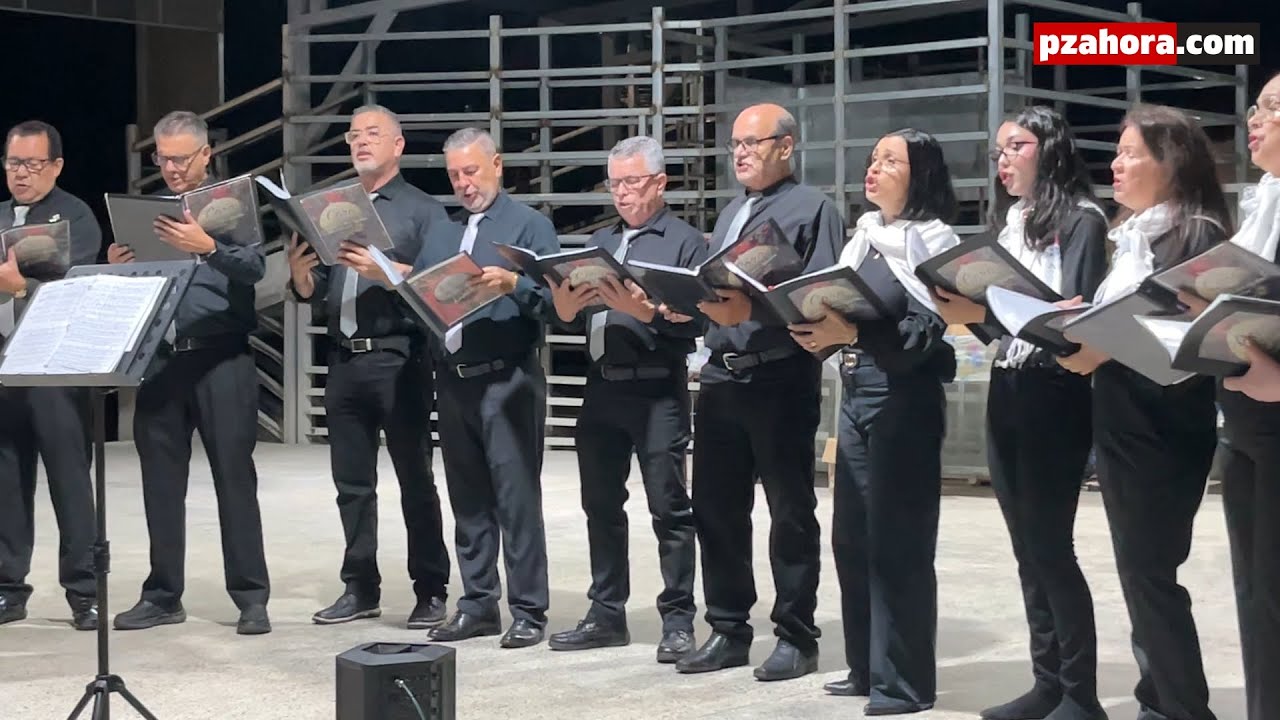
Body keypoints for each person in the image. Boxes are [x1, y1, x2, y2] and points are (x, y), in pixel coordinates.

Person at [346, 127, 556, 649]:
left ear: (497, 165)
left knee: (516, 499)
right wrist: (394, 280)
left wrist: (516, 284)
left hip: (507, 377)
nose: (464, 184)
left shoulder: (529, 226)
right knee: (468, 500)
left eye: (472, 172)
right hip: (454, 379)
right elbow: (424, 300)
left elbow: (557, 304)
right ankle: (478, 603)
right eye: (455, 175)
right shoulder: (444, 232)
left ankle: (528, 609)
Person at [932, 107, 1110, 720]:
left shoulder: (1083, 220)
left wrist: (1025, 311)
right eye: (998, 150)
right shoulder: (1010, 223)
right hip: (1009, 383)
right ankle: (1048, 683)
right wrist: (964, 308)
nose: (1004, 158)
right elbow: (1002, 323)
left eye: (1018, 145)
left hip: (1056, 390)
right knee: (1025, 547)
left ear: (1051, 149)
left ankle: (1082, 696)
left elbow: (1080, 317)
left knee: (1050, 545)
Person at [1056, 104, 1230, 720]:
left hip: (1164, 428)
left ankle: (1183, 708)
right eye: (1118, 152)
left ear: (1172, 161)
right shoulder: (1133, 233)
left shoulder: (1196, 232)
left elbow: (1189, 342)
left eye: (1132, 153)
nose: (1117, 164)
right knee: (1138, 573)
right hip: (1125, 421)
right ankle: (1157, 698)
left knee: (1151, 575)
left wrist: (1103, 347)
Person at [672, 103, 845, 681]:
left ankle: (797, 635)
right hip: (721, 375)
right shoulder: (729, 214)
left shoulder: (813, 208)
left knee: (789, 511)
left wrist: (757, 310)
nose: (741, 152)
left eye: (754, 142)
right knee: (717, 509)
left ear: (787, 146)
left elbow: (820, 300)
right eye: (735, 144)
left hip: (779, 374)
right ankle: (727, 627)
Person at [789, 128, 958, 714]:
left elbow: (922, 332)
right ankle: (866, 666)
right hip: (857, 389)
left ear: (922, 175)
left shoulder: (934, 242)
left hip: (904, 395)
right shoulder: (864, 236)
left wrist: (855, 330)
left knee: (899, 543)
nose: (875, 168)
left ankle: (904, 683)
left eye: (891, 161)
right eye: (873, 157)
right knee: (852, 537)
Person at [108, 111, 272, 636]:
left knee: (233, 478)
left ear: (206, 154)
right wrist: (119, 266)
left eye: (182, 157)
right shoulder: (149, 212)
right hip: (161, 359)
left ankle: (250, 597)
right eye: (163, 157)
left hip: (221, 356)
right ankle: (162, 594)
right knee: (159, 483)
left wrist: (209, 248)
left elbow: (254, 269)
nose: (173, 167)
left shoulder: (231, 205)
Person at [288, 105, 452, 630]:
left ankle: (430, 588)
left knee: (414, 478)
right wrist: (300, 280)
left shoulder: (422, 211)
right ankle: (359, 586)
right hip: (343, 358)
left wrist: (389, 274)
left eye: (372, 134)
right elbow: (321, 294)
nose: (361, 143)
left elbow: (438, 286)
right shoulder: (332, 208)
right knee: (351, 483)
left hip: (398, 356)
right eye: (353, 135)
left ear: (398, 146)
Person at [545, 136, 705, 663]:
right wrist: (563, 307)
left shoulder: (685, 243)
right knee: (600, 505)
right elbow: (570, 314)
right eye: (614, 183)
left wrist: (649, 313)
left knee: (669, 507)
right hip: (601, 388)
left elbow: (698, 325)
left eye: (633, 181)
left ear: (659, 182)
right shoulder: (601, 242)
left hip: (657, 387)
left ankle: (678, 620)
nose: (622, 193)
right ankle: (606, 613)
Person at [1189, 72, 1280, 720]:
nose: (1256, 118)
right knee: (1255, 593)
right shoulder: (1264, 202)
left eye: (1272, 109)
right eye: (1257, 106)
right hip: (1244, 416)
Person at [0, 120, 103, 630]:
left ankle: (85, 592)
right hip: (3, 369)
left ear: (55, 166)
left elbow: (73, 288)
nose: (20, 174)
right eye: (13, 162)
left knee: (69, 481)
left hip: (55, 369)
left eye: (32, 164)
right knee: (6, 482)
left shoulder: (75, 216)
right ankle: (7, 589)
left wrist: (19, 288)